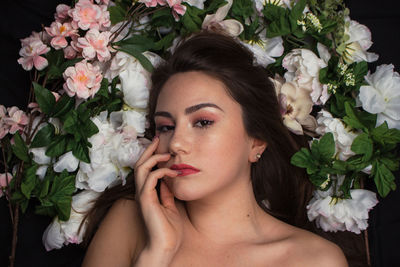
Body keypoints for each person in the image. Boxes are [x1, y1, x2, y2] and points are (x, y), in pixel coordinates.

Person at [81, 31, 348, 266]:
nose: (175, 143)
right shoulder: (130, 222)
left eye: (203, 122)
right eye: (165, 127)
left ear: (256, 141)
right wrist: (157, 254)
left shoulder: (316, 260)